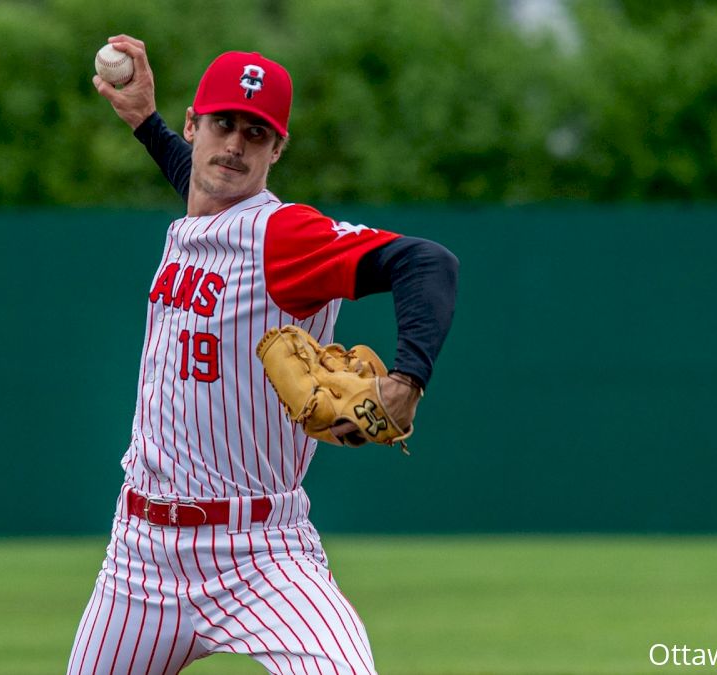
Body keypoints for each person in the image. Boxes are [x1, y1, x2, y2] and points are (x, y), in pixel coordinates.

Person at [69, 36, 459, 674]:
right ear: (193, 125)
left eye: (256, 133)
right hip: (138, 557)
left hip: (258, 555)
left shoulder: (282, 235)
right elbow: (198, 175)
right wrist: (144, 123)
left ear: (277, 149)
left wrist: (407, 379)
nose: (235, 146)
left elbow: (427, 262)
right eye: (223, 124)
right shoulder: (200, 215)